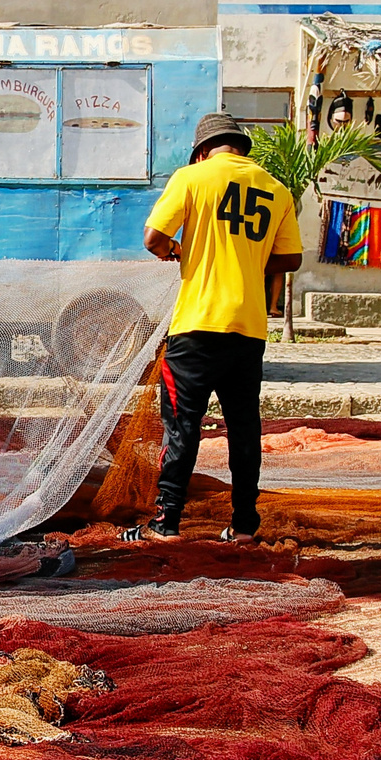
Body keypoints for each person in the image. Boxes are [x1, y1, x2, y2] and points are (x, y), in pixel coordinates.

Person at [131, 112, 302, 545]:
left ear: (204, 150)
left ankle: (166, 523)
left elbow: (153, 237)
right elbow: (291, 258)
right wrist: (250, 260)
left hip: (197, 326)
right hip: (248, 329)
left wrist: (176, 249)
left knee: (182, 426)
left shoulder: (193, 177)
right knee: (244, 427)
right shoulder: (276, 189)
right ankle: (244, 525)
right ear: (241, 148)